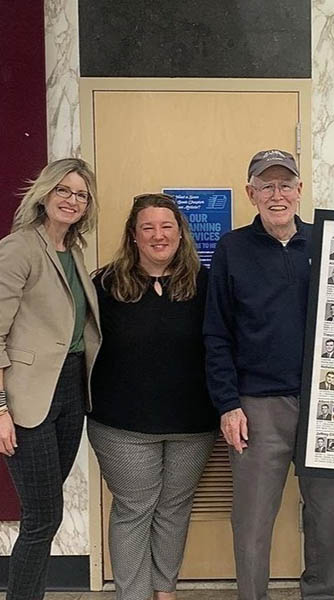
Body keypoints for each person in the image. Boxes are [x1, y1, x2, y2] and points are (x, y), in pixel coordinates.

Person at [204, 149, 334, 600]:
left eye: (286, 185)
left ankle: (322, 593)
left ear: (300, 190)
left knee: (325, 513)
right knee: (252, 519)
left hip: (325, 402)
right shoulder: (232, 249)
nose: (277, 194)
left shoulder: (328, 241)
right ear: (252, 193)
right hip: (258, 405)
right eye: (267, 185)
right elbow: (216, 332)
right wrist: (228, 404)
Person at [88, 194, 218, 600]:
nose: (158, 235)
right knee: (134, 509)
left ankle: (165, 592)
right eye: (148, 227)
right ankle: (133, 595)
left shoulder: (205, 284)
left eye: (167, 226)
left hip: (193, 425)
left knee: (174, 508)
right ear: (134, 235)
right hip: (121, 426)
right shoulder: (105, 285)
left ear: (180, 233)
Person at [0, 158, 101, 600]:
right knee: (42, 516)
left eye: (81, 194)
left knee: (47, 512)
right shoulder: (19, 248)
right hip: (27, 396)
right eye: (63, 190)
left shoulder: (73, 251)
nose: (72, 200)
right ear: (44, 193)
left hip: (70, 389)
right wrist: (0, 409)